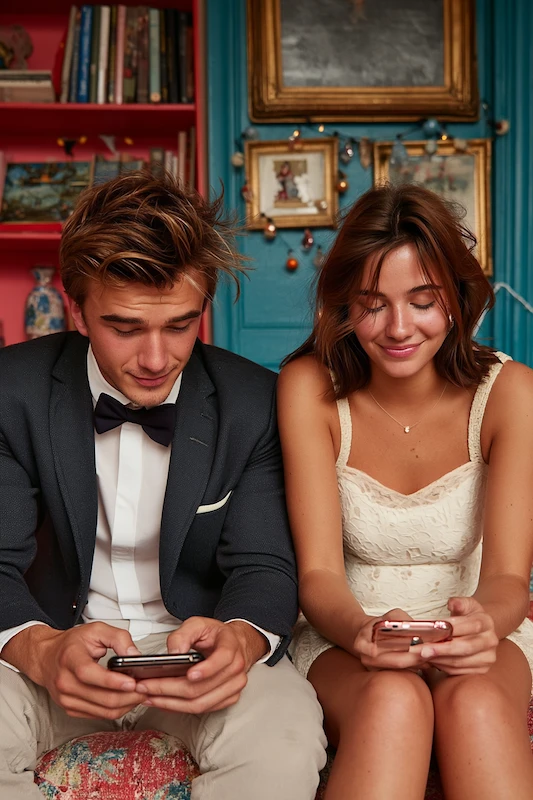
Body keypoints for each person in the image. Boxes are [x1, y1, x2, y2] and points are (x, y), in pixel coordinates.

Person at [0, 171, 326, 799]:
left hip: (195, 664)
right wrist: (39, 650)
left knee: (284, 743)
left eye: (180, 325)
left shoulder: (253, 403)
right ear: (76, 309)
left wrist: (242, 638)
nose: (156, 358)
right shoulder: (10, 393)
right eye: (125, 327)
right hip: (48, 654)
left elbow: (264, 566)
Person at [277, 183, 533, 799]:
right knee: (394, 700)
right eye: (371, 304)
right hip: (346, 632)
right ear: (343, 304)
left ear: (457, 297)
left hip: (480, 633)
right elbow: (317, 577)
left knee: (471, 700)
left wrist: (483, 627)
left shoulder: (512, 393)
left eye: (423, 301)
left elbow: (506, 581)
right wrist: (363, 631)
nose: (398, 328)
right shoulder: (307, 387)